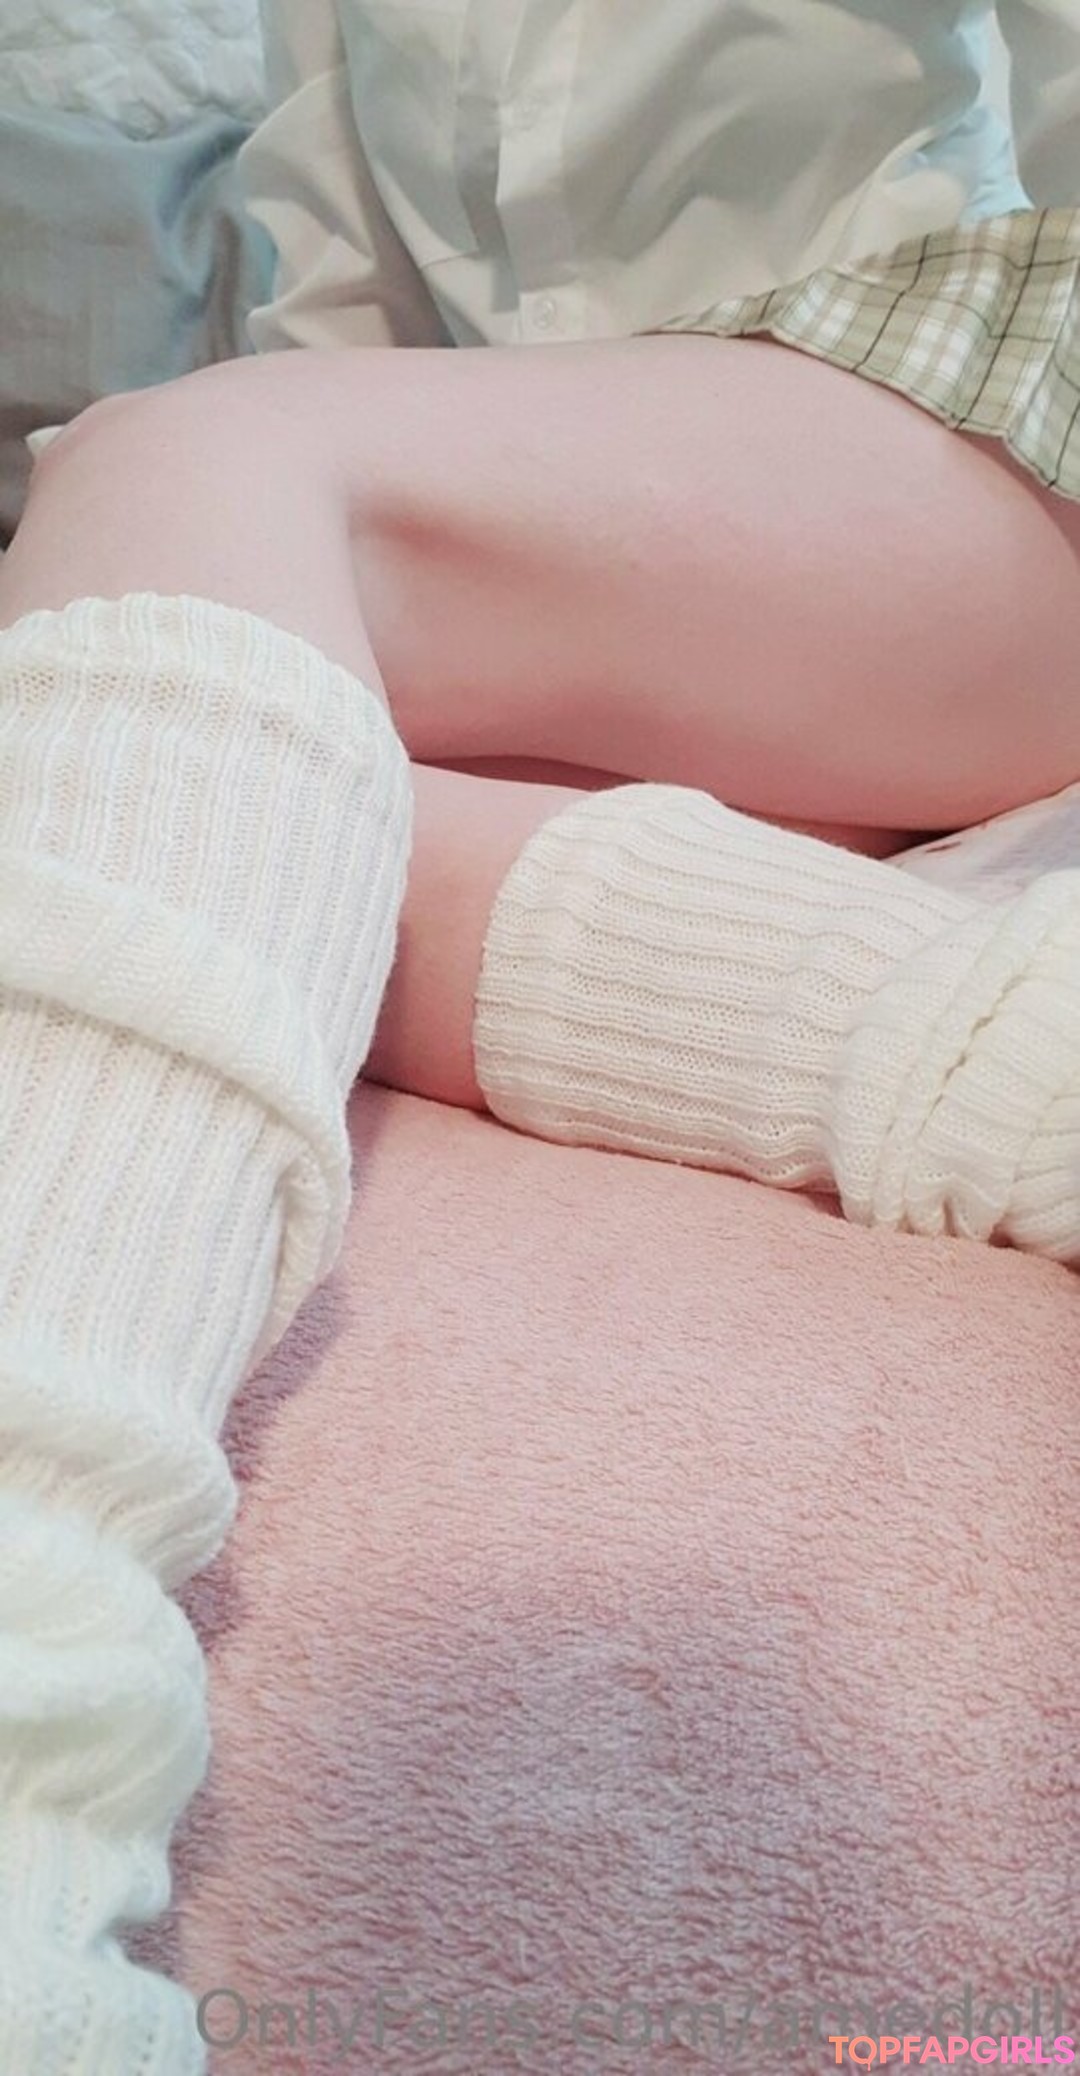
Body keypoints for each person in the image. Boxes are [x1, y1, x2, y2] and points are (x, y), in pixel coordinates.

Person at [0, 2, 1078, 2066]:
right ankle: (1027, 1064)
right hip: (586, 524)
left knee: (177, 481)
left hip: (936, 393)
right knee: (183, 747)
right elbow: (327, 258)